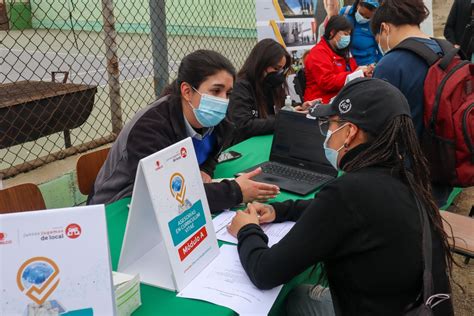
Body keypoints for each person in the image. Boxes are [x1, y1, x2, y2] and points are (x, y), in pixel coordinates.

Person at [228, 78, 454, 316]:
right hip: (411, 306)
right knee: (300, 296)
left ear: (349, 132)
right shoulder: (403, 176)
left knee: (296, 301)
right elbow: (335, 211)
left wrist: (247, 229)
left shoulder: (349, 192)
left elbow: (266, 271)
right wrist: (280, 210)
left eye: (330, 125)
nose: (326, 134)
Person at [88, 50, 280, 211]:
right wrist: (236, 192)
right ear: (187, 91)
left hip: (170, 197)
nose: (223, 100)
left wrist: (205, 169)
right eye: (215, 91)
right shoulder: (150, 127)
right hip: (117, 207)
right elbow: (165, 195)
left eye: (228, 93)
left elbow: (211, 153)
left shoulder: (218, 119)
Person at [371, 0, 453, 207]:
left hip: (408, 174)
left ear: (384, 28)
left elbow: (379, 126)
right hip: (447, 161)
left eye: (378, 39)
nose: (380, 44)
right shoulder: (448, 50)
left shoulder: (390, 64)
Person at [227, 39, 292, 140]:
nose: (278, 73)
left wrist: (298, 108)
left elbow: (284, 103)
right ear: (261, 63)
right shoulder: (241, 86)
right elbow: (244, 125)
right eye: (276, 68)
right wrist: (282, 119)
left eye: (281, 69)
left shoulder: (271, 84)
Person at [304, 16, 368, 103]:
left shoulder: (343, 52)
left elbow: (354, 70)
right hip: (321, 102)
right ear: (332, 32)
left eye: (349, 35)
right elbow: (326, 82)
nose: (347, 38)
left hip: (341, 99)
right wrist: (354, 74)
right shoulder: (318, 52)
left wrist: (365, 72)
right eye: (345, 34)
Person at [339, 0, 381, 66]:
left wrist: (376, 66)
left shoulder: (375, 23)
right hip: (345, 63)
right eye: (361, 13)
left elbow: (381, 50)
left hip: (367, 65)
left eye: (367, 17)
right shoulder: (345, 13)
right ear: (358, 5)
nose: (362, 18)